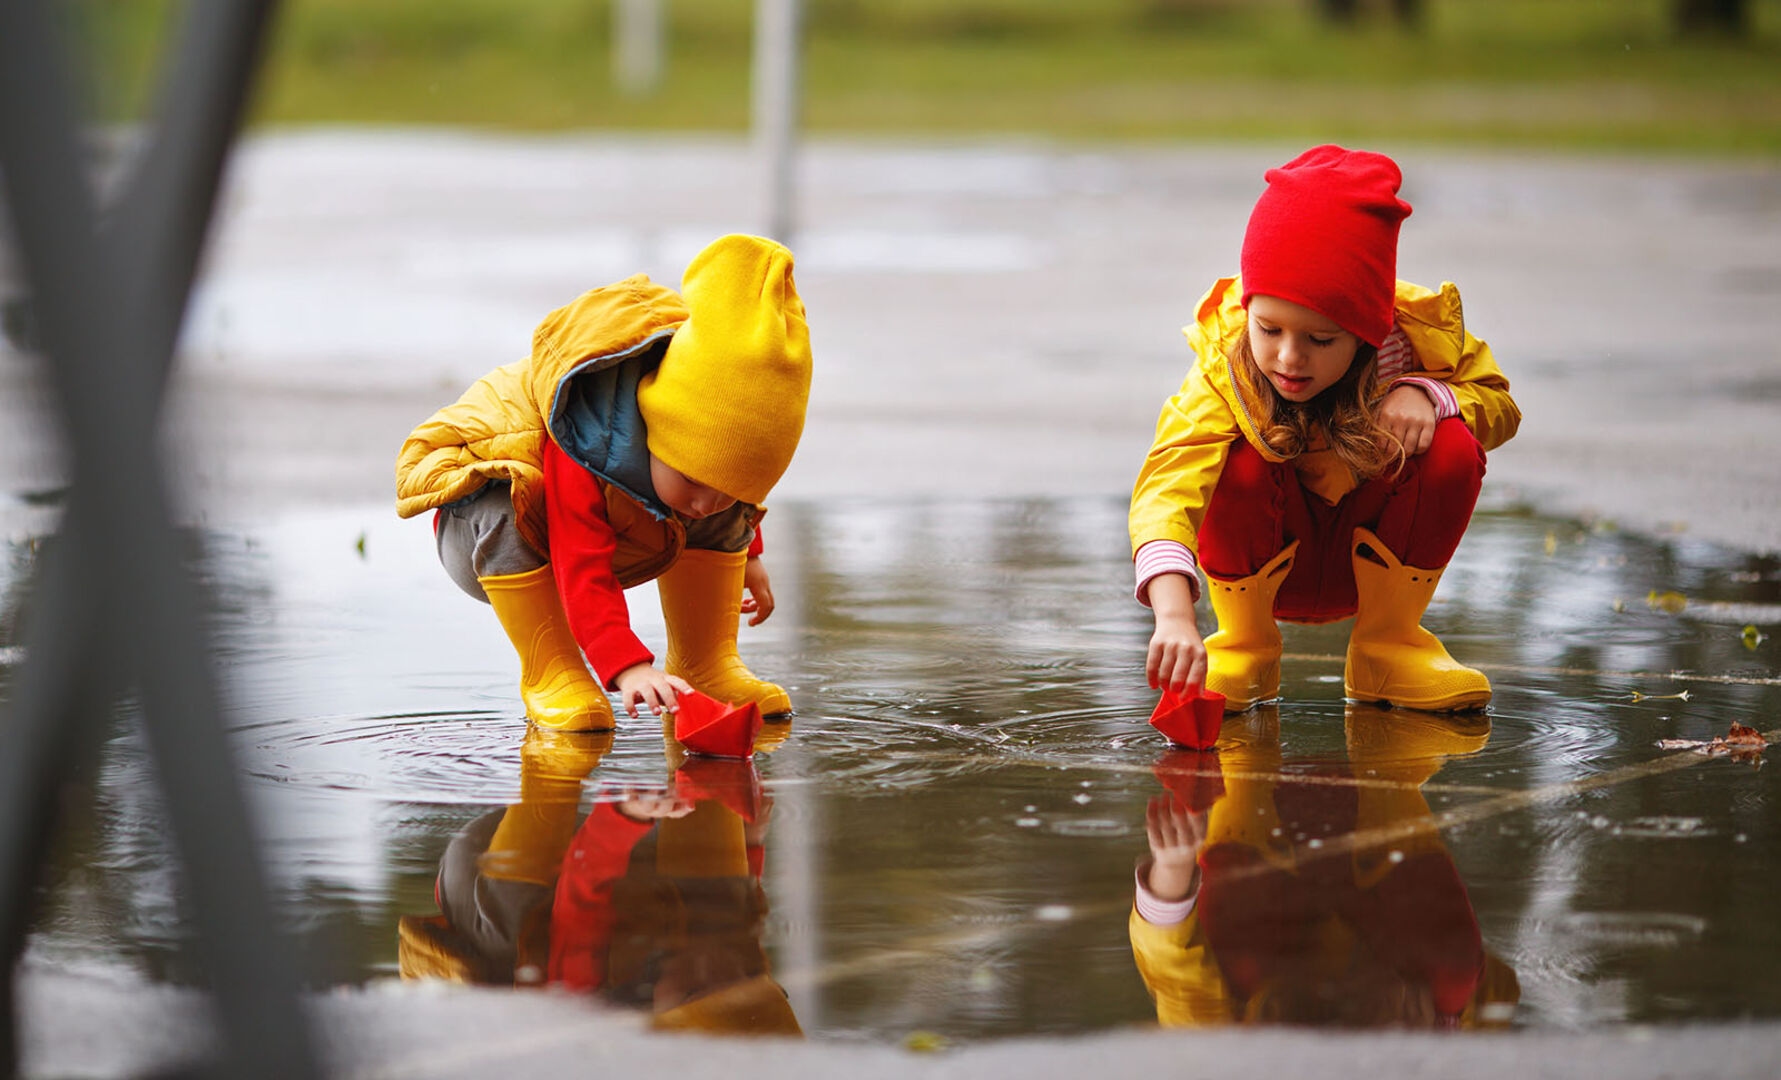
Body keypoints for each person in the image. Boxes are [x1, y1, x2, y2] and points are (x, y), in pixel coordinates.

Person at [1129, 146, 1520, 713]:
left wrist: (1428, 395)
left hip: (1366, 568)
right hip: (1266, 564)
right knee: (1232, 454)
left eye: (1320, 340)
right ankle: (1243, 651)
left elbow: (1500, 405)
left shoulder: (1419, 344)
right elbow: (1167, 485)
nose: (1289, 358)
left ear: (1367, 330)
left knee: (1453, 441)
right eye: (1269, 329)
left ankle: (1388, 651)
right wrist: (1173, 616)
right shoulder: (1227, 365)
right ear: (1249, 308)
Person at [396, 234, 812, 730]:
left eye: (731, 487)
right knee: (508, 499)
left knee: (714, 502)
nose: (706, 502)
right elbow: (580, 560)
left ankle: (705, 665)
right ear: (659, 430)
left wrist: (752, 556)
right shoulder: (586, 445)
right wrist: (628, 667)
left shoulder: (707, 469)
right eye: (693, 479)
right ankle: (553, 673)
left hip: (628, 521)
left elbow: (724, 486)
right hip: (490, 533)